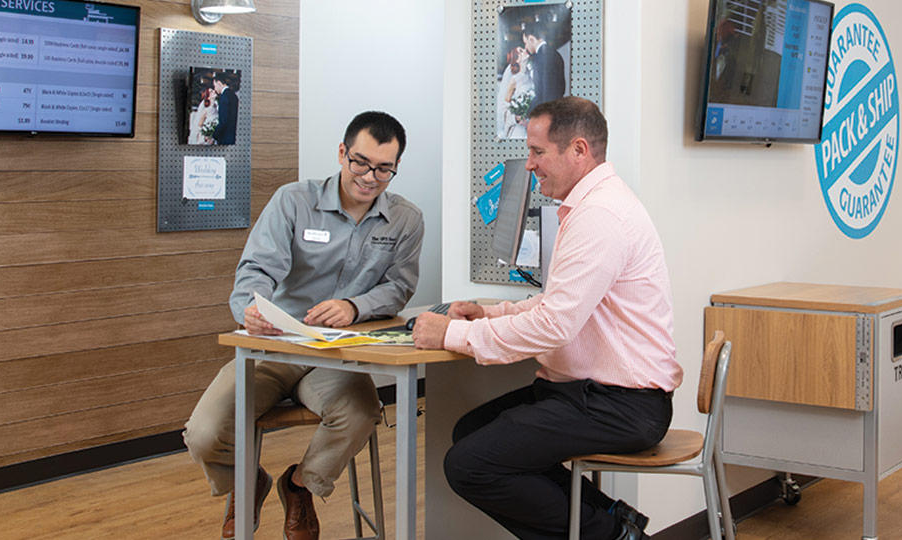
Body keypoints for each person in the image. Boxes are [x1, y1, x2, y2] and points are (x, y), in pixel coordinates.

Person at [412, 97, 682, 540]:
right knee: (470, 433)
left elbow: (554, 325)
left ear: (578, 150)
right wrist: (490, 314)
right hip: (591, 394)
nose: (530, 165)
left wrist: (455, 333)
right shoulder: (591, 206)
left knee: (470, 464)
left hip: (622, 405)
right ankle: (615, 524)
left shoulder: (601, 216)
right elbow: (555, 304)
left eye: (538, 152)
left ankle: (612, 534)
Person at [183, 111, 425, 540]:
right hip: (276, 347)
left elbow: (398, 288)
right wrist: (250, 311)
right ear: (342, 153)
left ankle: (299, 486)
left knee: (361, 413)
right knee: (203, 433)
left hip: (340, 357)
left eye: (384, 168)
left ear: (396, 167)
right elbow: (255, 270)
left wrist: (354, 305)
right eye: (361, 162)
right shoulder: (293, 200)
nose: (370, 177)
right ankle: (247, 481)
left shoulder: (406, 219)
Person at [523, 22, 566, 111]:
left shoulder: (540, 58)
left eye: (525, 43)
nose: (526, 47)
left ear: (531, 39)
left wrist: (527, 112)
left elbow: (543, 94)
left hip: (546, 112)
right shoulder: (556, 54)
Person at [496, 46, 535, 139]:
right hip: (519, 129)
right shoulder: (514, 80)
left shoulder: (531, 75)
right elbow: (505, 105)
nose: (525, 50)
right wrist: (516, 118)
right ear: (517, 60)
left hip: (530, 125)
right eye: (521, 51)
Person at [212, 74, 239, 145]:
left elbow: (223, 121)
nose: (215, 89)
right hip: (233, 136)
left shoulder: (224, 97)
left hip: (225, 138)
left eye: (215, 86)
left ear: (219, 83)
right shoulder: (233, 95)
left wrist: (214, 136)